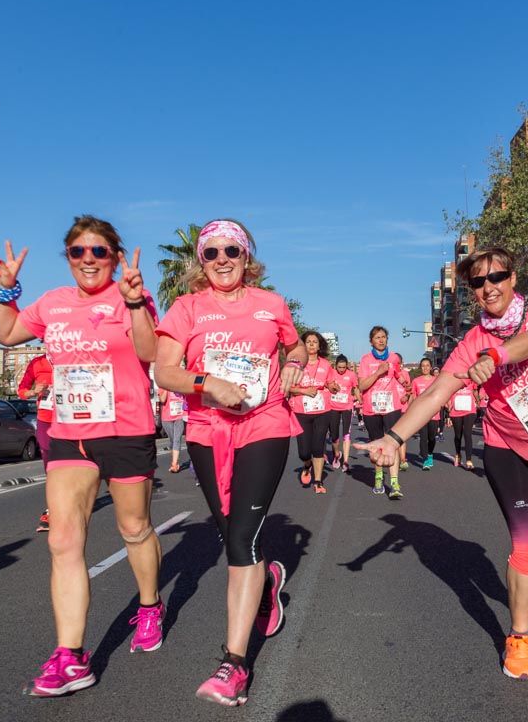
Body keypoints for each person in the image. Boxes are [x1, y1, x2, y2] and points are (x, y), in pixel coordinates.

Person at [356, 246, 528, 681]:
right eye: (478, 283)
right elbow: (433, 394)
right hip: (509, 447)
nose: (489, 288)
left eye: (497, 277)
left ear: (513, 277)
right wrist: (393, 438)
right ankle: (519, 638)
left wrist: (498, 357)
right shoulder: (471, 342)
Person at [0, 216, 163, 697]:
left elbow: (150, 352)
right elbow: (6, 335)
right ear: (68, 257)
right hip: (70, 434)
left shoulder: (131, 295)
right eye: (78, 252)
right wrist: (3, 291)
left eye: (99, 252)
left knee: (134, 528)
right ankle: (70, 655)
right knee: (64, 541)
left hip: (127, 432)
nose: (89, 259)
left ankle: (149, 605)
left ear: (113, 255)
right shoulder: (52, 303)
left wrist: (133, 303)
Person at [152, 218, 305, 706]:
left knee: (241, 539)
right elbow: (166, 371)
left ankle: (233, 665)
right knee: (230, 534)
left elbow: (295, 345)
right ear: (201, 261)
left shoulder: (271, 305)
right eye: (211, 253)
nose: (222, 261)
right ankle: (268, 582)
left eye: (231, 252)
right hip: (207, 430)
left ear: (246, 257)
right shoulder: (186, 308)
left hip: (265, 423)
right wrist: (208, 385)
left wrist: (296, 365)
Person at [358, 326, 411, 499]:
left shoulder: (394, 357)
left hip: (391, 406)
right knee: (376, 445)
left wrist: (404, 382)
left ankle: (395, 482)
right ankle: (379, 477)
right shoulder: (365, 360)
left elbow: (397, 374)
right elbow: (362, 386)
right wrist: (378, 372)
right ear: (371, 341)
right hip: (371, 408)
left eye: (383, 337)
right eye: (377, 338)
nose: (381, 340)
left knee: (393, 442)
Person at [287, 330, 339, 495]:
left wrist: (333, 387)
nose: (311, 344)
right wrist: (304, 391)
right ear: (302, 346)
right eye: (307, 341)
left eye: (314, 342)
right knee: (303, 452)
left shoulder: (325, 364)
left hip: (323, 410)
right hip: (301, 411)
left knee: (318, 448)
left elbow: (331, 383)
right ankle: (307, 464)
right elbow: (288, 387)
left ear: (319, 346)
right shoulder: (295, 364)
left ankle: (318, 481)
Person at [17, 354, 54, 533]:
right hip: (46, 420)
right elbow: (21, 391)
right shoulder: (37, 363)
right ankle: (52, 510)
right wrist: (34, 391)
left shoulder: (72, 357)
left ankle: (67, 505)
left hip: (72, 421)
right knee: (52, 469)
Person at [327, 355, 359, 472]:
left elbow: (356, 388)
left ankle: (345, 461)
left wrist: (360, 399)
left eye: (344, 367)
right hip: (333, 407)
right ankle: (336, 455)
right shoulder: (331, 373)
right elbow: (326, 385)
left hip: (347, 407)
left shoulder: (351, 375)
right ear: (336, 366)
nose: (342, 370)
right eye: (339, 367)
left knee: (346, 434)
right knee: (334, 435)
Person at [409, 358, 442, 469]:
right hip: (421, 414)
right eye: (423, 366)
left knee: (431, 437)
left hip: (433, 414)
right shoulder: (416, 381)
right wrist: (410, 410)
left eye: (427, 365)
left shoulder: (436, 380)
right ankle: (425, 458)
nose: (425, 368)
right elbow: (413, 397)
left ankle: (430, 454)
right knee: (423, 437)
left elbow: (440, 395)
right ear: (420, 367)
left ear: (431, 367)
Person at [448, 377, 478, 469]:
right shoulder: (452, 380)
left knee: (467, 434)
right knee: (458, 435)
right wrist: (449, 406)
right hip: (456, 411)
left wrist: (478, 400)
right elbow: (448, 394)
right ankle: (458, 454)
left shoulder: (472, 379)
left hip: (469, 410)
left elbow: (475, 391)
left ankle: (469, 460)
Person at [159, 388, 187, 474]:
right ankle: (174, 460)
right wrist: (167, 388)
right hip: (167, 419)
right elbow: (162, 400)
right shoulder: (163, 387)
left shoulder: (179, 385)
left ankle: (174, 464)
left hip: (179, 417)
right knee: (172, 441)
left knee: (176, 440)